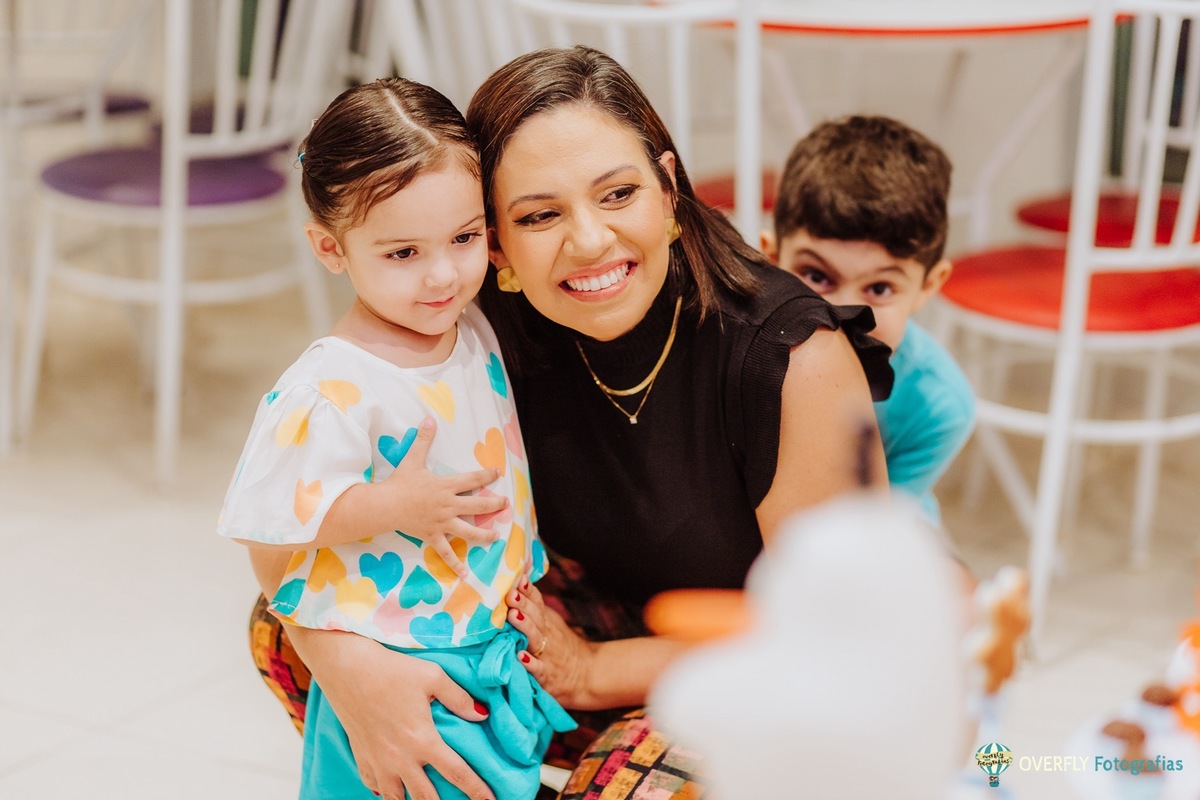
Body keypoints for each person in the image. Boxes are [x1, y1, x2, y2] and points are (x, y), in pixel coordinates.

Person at [249, 47, 895, 800]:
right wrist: (354, 670)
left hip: (773, 672)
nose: (588, 241)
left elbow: (842, 629)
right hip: (593, 618)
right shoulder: (478, 312)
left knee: (637, 784)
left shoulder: (790, 356)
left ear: (669, 186)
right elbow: (297, 509)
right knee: (301, 616)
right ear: (494, 239)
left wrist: (594, 670)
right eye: (540, 214)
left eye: (617, 193)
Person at [218, 77, 574, 800]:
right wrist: (390, 506)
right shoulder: (333, 388)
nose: (444, 274)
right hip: (395, 657)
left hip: (484, 643)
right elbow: (268, 536)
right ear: (330, 248)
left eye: (465, 238)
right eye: (403, 253)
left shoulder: (469, 328)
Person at [761, 115, 976, 526]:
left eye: (879, 289)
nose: (843, 314)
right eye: (817, 277)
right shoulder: (734, 351)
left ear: (929, 285)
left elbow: (868, 536)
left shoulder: (938, 407)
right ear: (771, 259)